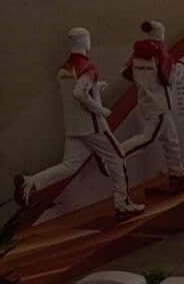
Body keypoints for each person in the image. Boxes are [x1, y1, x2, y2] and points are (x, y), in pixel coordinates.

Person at [14, 28, 145, 219]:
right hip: (93, 126)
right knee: (117, 158)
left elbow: (73, 93)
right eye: (88, 38)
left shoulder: (64, 69)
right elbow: (79, 93)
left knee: (69, 166)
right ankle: (122, 203)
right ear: (84, 41)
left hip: (74, 128)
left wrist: (96, 88)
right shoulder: (88, 67)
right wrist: (101, 110)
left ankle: (30, 182)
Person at [118, 20, 184, 189]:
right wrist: (180, 67)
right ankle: (114, 154)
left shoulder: (136, 55)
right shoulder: (162, 54)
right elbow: (171, 79)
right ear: (161, 35)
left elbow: (125, 72)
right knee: (147, 138)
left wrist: (144, 83)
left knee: (171, 140)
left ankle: (177, 173)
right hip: (160, 105)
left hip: (147, 102)